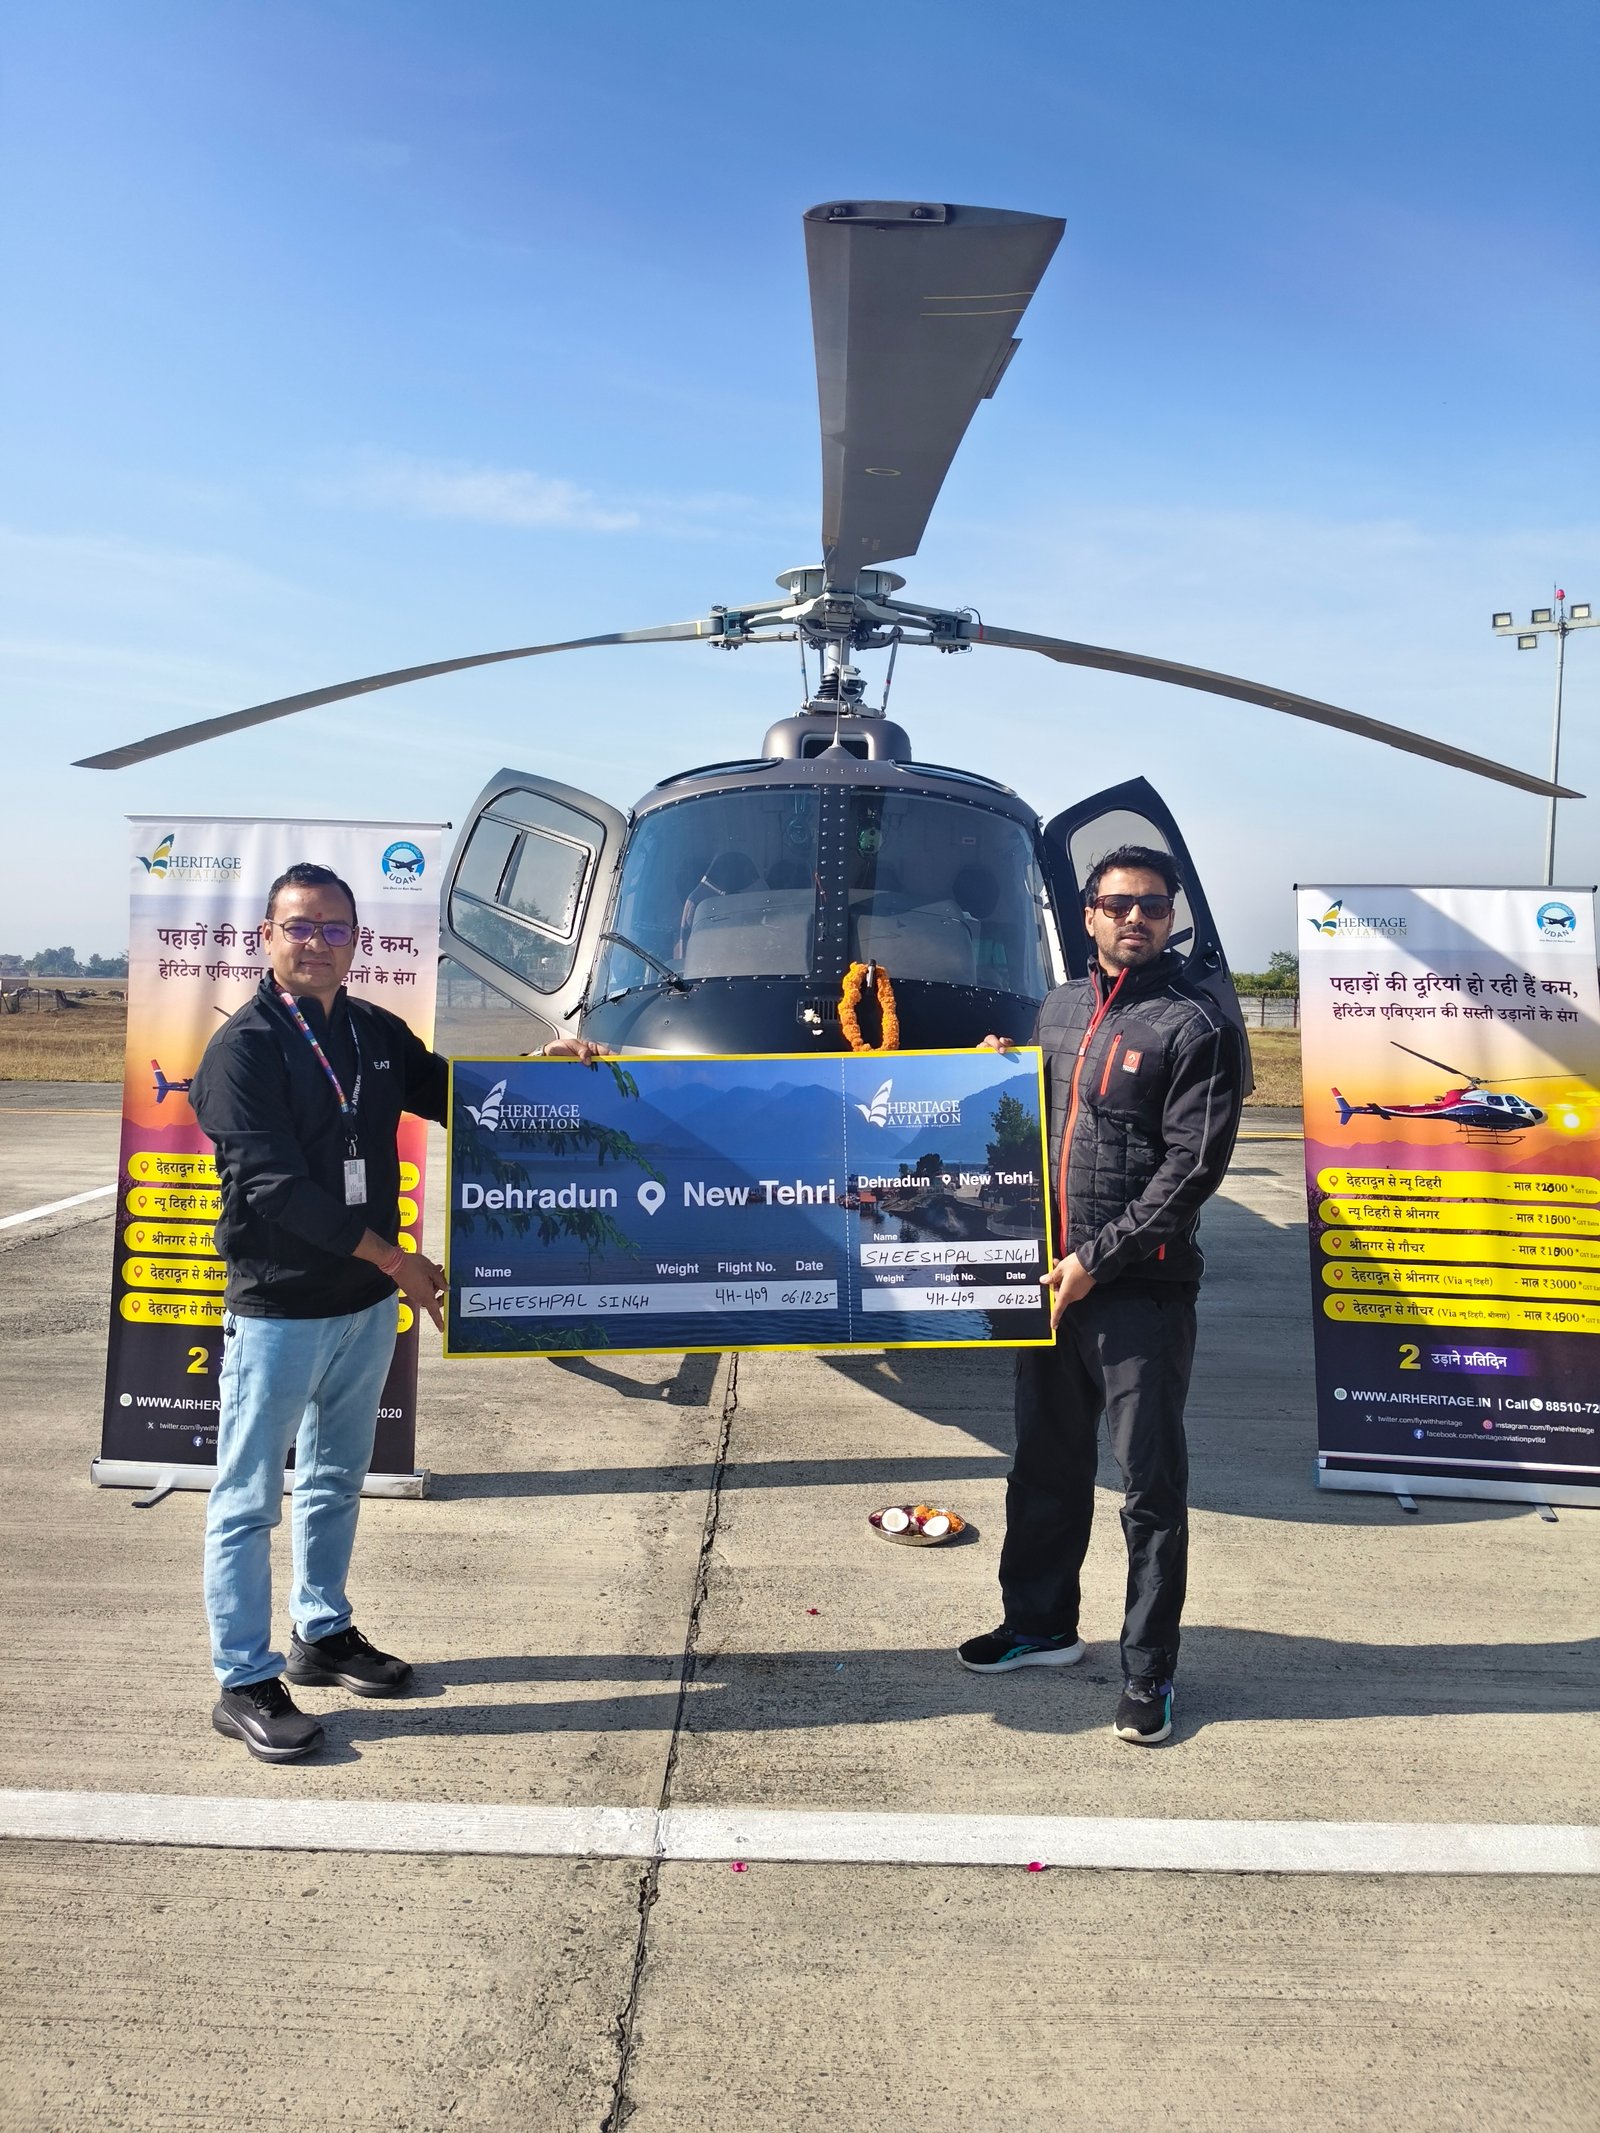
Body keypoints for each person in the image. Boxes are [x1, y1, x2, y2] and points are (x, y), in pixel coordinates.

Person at [193, 861, 601, 1763]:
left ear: (357, 941)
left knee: (337, 1477)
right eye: (300, 926)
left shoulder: (372, 1031)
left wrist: (541, 1073)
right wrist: (397, 1259)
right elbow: (275, 1189)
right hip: (281, 1309)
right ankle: (243, 1679)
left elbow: (451, 1092)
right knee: (248, 1497)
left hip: (365, 1306)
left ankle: (321, 1631)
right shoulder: (242, 1050)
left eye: (335, 928)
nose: (318, 942)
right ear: (267, 937)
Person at [957, 844, 1245, 1745]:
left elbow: (1191, 1167)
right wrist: (996, 1070)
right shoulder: (1059, 1008)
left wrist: (1098, 1257)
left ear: (1172, 917)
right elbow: (1039, 1117)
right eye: (1118, 904)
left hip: (1138, 1293)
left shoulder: (1196, 1025)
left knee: (1148, 1488)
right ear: (1087, 914)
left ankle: (1149, 1670)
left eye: (1152, 906)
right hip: (1050, 1282)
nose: (1135, 919)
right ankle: (1040, 1624)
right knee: (1043, 1464)